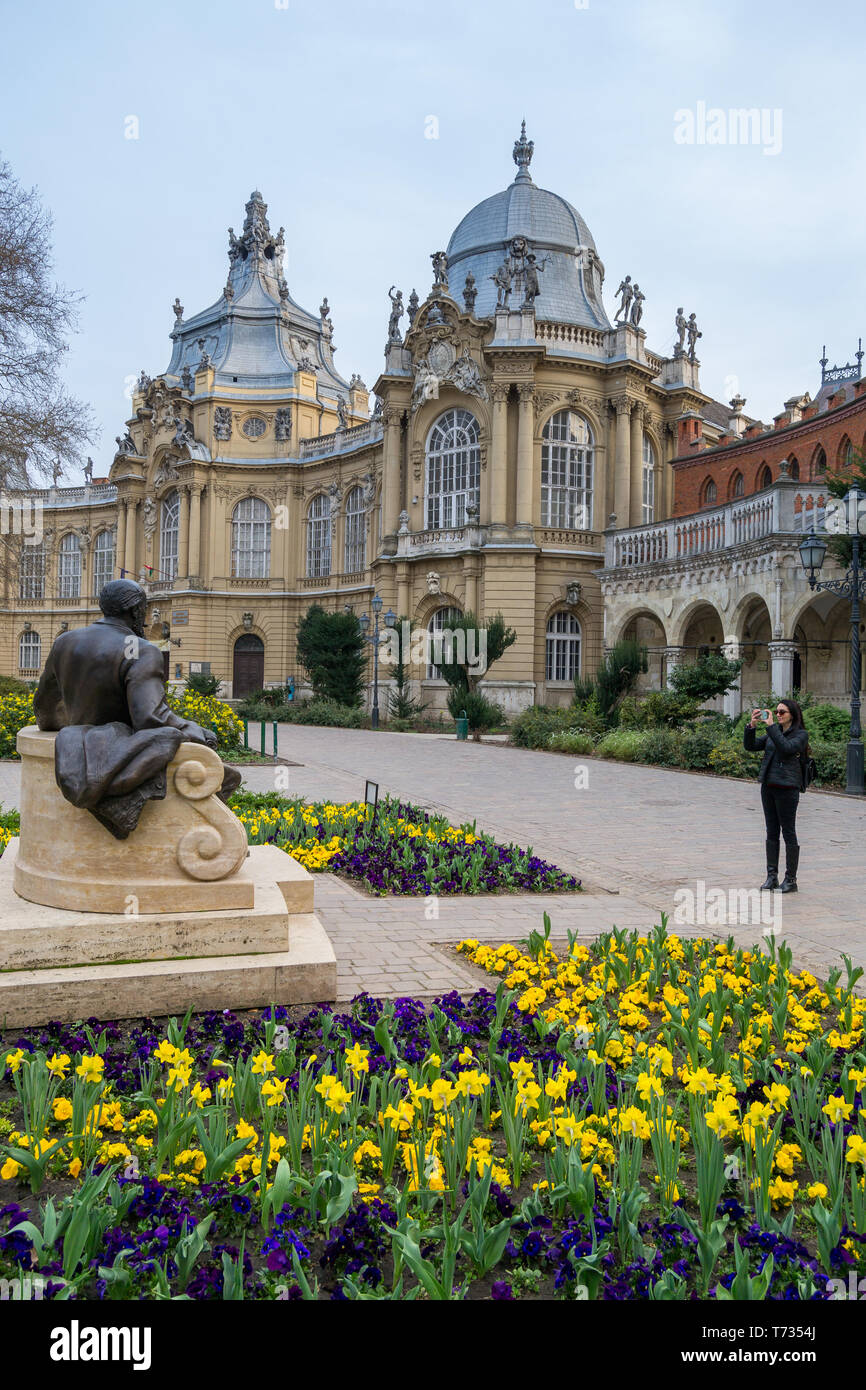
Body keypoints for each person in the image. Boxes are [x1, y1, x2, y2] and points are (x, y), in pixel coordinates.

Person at [35, 578, 240, 838]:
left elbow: (44, 708)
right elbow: (151, 718)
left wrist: (70, 731)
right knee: (226, 777)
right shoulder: (141, 650)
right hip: (119, 747)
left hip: (82, 746)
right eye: (142, 611)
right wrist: (196, 730)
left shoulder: (64, 642)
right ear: (135, 611)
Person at [744, 698, 809, 893]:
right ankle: (771, 876)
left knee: (788, 831)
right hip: (769, 786)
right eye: (777, 712)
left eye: (782, 712)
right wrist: (751, 726)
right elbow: (752, 746)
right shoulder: (774, 733)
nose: (778, 714)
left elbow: (787, 749)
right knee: (771, 831)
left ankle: (791, 879)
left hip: (787, 789)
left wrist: (771, 726)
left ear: (793, 715)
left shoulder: (801, 735)